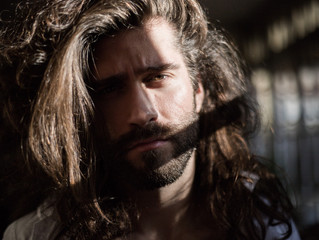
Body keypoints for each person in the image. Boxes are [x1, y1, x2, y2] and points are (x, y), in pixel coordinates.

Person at [0, 0, 301, 239]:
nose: (142, 113)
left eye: (158, 77)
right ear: (85, 110)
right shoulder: (37, 235)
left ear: (199, 90)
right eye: (110, 89)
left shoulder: (259, 219)